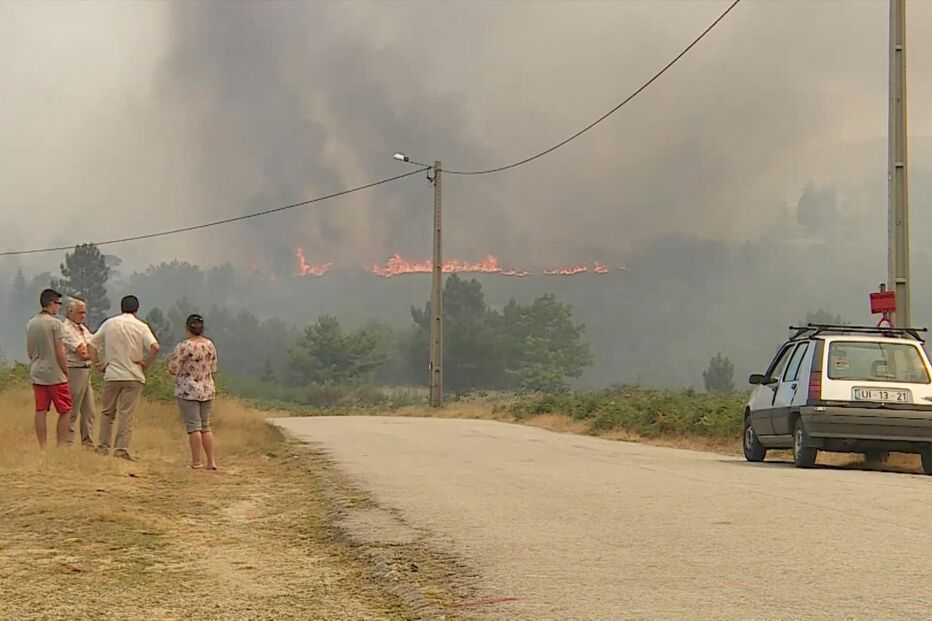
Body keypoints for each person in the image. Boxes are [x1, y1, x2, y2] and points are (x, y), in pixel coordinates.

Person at [89, 295, 159, 460]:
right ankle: (121, 449)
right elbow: (155, 347)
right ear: (136, 309)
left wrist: (98, 364)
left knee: (107, 413)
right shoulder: (141, 326)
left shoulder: (110, 323)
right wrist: (146, 364)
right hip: (133, 375)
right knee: (126, 415)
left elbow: (92, 344)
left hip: (112, 374)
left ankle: (103, 446)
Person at [168, 314, 218, 470]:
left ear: (187, 328)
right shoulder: (209, 345)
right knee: (205, 425)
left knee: (194, 427)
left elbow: (173, 368)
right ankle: (211, 461)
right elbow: (213, 367)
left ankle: (197, 461)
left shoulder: (184, 346)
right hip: (207, 389)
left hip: (188, 390)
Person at [26, 288, 72, 448]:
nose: (59, 307)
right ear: (51, 303)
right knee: (65, 409)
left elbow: (29, 350)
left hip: (37, 372)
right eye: (59, 304)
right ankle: (60, 445)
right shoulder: (55, 324)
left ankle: (43, 447)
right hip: (55, 373)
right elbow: (60, 351)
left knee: (41, 410)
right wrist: (66, 370)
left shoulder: (31, 323)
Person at [61, 298, 97, 448]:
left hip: (86, 370)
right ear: (70, 312)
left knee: (89, 410)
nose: (83, 316)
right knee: (72, 409)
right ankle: (67, 442)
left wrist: (91, 351)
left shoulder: (82, 329)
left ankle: (88, 443)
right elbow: (83, 352)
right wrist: (92, 352)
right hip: (74, 370)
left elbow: (95, 345)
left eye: (84, 313)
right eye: (80, 313)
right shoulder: (66, 329)